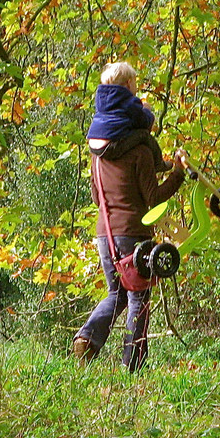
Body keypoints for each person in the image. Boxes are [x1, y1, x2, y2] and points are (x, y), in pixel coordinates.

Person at [73, 62, 185, 370]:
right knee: (138, 298)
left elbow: (97, 197)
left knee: (117, 294)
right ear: (130, 89)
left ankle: (87, 339)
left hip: (104, 233)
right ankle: (133, 366)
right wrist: (177, 173)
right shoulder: (138, 149)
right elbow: (154, 199)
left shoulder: (97, 149)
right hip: (134, 234)